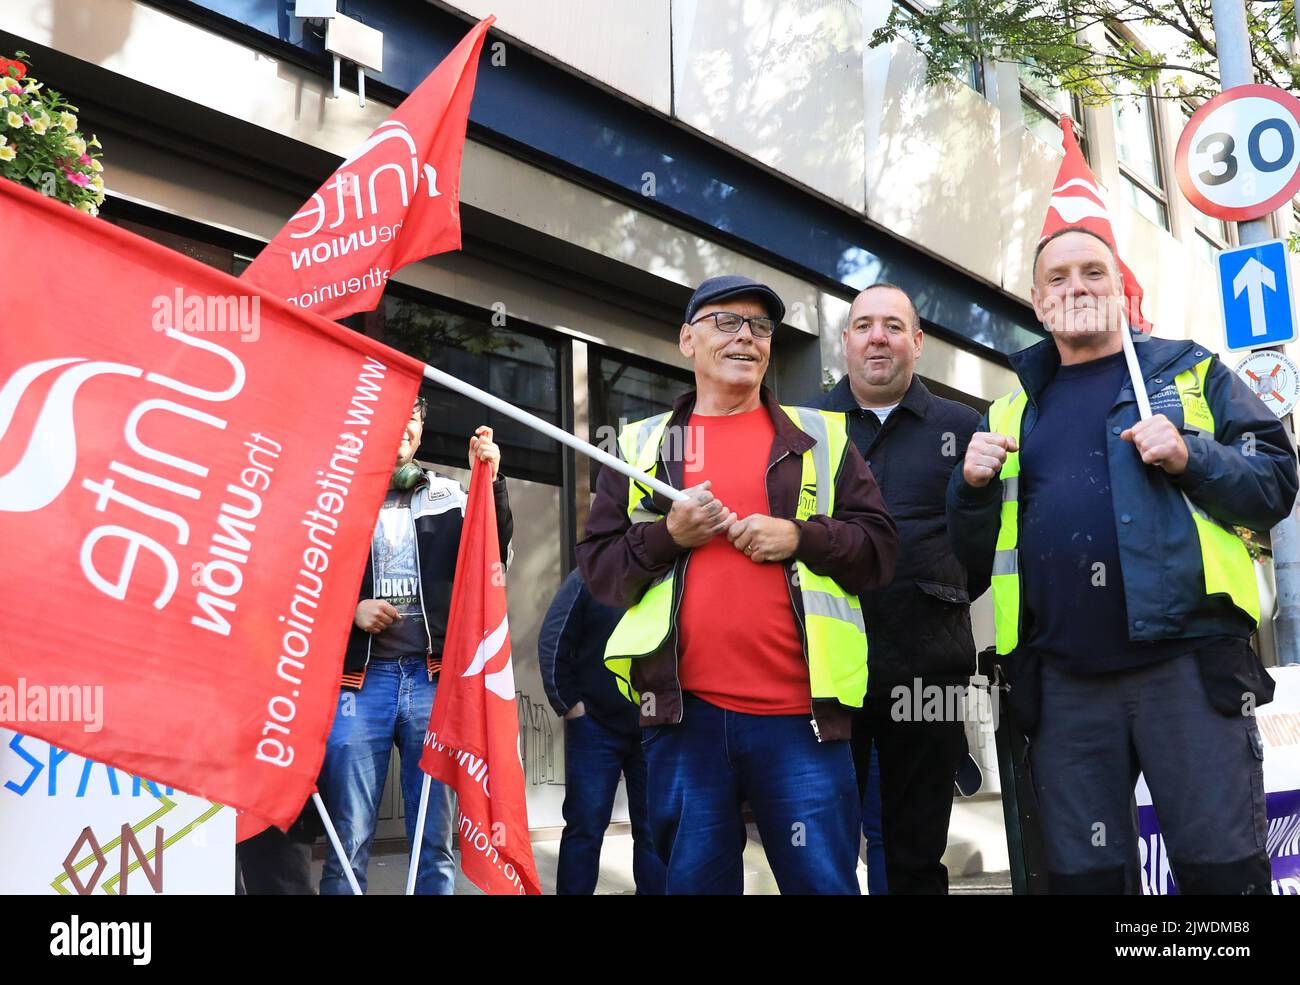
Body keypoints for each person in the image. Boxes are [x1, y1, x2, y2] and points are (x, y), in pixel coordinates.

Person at [947, 226, 1297, 894]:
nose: (1076, 287)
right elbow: (967, 566)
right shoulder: (1010, 410)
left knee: (1224, 877)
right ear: (1037, 300)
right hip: (1064, 690)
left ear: (1121, 290)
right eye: (1059, 278)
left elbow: (1275, 483)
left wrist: (1192, 453)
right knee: (1087, 883)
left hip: (1188, 674)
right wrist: (966, 489)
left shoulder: (1190, 370)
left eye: (1093, 273)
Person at [578, 274, 899, 894]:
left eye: (759, 326)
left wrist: (800, 537)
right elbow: (602, 573)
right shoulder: (641, 445)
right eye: (726, 322)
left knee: (825, 884)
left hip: (802, 720)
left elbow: (880, 553)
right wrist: (669, 534)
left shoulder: (821, 437)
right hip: (684, 720)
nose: (746, 336)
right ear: (686, 340)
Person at [810, 283, 984, 894]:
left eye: (892, 325)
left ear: (917, 341)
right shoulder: (802, 427)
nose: (876, 337)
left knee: (915, 855)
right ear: (846, 341)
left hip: (926, 674)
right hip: (823, 676)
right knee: (819, 854)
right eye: (863, 326)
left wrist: (935, 593)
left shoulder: (965, 428)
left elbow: (981, 555)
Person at [318, 396, 512, 894]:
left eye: (412, 418)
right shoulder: (336, 496)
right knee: (348, 836)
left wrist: (491, 482)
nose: (402, 426)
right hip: (360, 685)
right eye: (391, 415)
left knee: (434, 840)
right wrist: (352, 610)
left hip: (431, 680)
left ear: (421, 430)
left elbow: (494, 553)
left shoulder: (450, 494)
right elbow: (306, 582)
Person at [540, 568, 665, 894]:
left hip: (655, 727)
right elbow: (553, 639)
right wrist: (569, 704)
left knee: (654, 830)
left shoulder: (668, 570)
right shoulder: (587, 576)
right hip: (595, 726)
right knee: (585, 828)